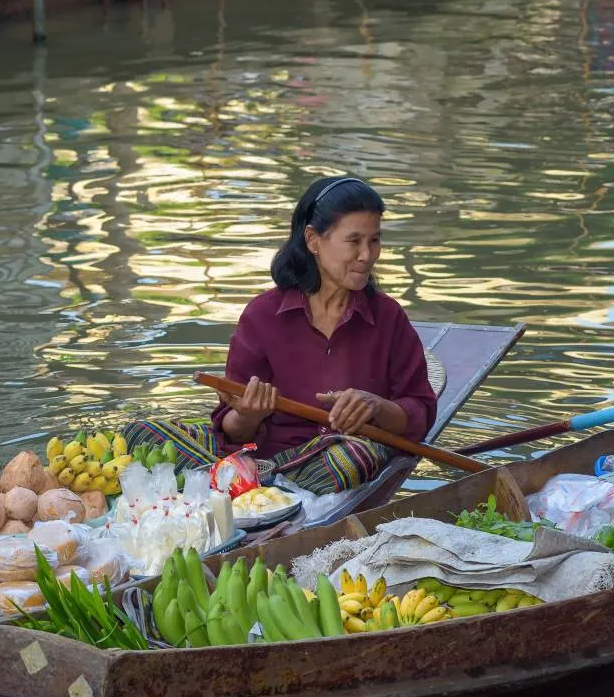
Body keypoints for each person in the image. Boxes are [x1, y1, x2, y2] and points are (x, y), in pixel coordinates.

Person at [123, 176, 437, 496]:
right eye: (354, 241)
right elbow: (229, 430)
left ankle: (248, 484)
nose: (367, 255)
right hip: (261, 453)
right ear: (313, 240)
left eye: (374, 241)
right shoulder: (262, 315)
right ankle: (263, 483)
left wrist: (376, 407)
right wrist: (248, 414)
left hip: (337, 457)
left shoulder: (387, 316)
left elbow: (421, 413)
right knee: (141, 434)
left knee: (353, 457)